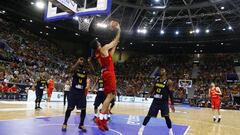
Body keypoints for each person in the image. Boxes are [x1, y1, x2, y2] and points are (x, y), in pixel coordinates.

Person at [90, 20, 121, 131]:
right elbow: (115, 40)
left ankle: (102, 119)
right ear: (97, 45)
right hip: (109, 74)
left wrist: (115, 46)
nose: (99, 42)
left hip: (106, 73)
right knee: (110, 96)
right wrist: (118, 29)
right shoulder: (103, 49)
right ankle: (100, 119)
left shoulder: (100, 54)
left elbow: (110, 56)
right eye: (98, 42)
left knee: (110, 96)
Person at [138, 68, 175, 135]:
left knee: (167, 117)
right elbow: (153, 89)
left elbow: (171, 94)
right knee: (148, 115)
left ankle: (170, 131)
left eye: (162, 70)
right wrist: (148, 94)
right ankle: (141, 129)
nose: (161, 71)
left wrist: (172, 104)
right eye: (160, 70)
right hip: (155, 101)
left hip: (164, 102)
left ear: (165, 73)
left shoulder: (169, 82)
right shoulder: (157, 80)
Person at [62, 57, 90, 132]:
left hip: (81, 93)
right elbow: (71, 70)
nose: (81, 61)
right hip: (73, 92)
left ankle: (81, 124)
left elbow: (94, 72)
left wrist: (90, 62)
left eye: (82, 60)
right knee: (69, 108)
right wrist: (77, 62)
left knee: (83, 109)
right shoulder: (75, 69)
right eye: (80, 60)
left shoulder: (85, 70)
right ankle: (65, 123)